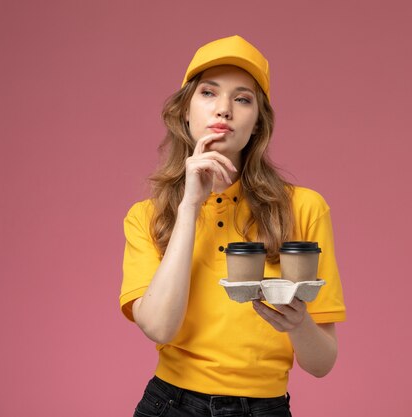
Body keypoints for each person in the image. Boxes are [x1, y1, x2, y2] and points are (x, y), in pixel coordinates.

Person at [120, 35, 346, 417]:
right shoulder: (148, 215)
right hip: (172, 405)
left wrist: (298, 323)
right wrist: (190, 206)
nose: (223, 109)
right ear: (185, 113)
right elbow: (159, 328)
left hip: (266, 409)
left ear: (257, 123)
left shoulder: (305, 208)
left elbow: (321, 363)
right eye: (208, 93)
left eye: (242, 99)